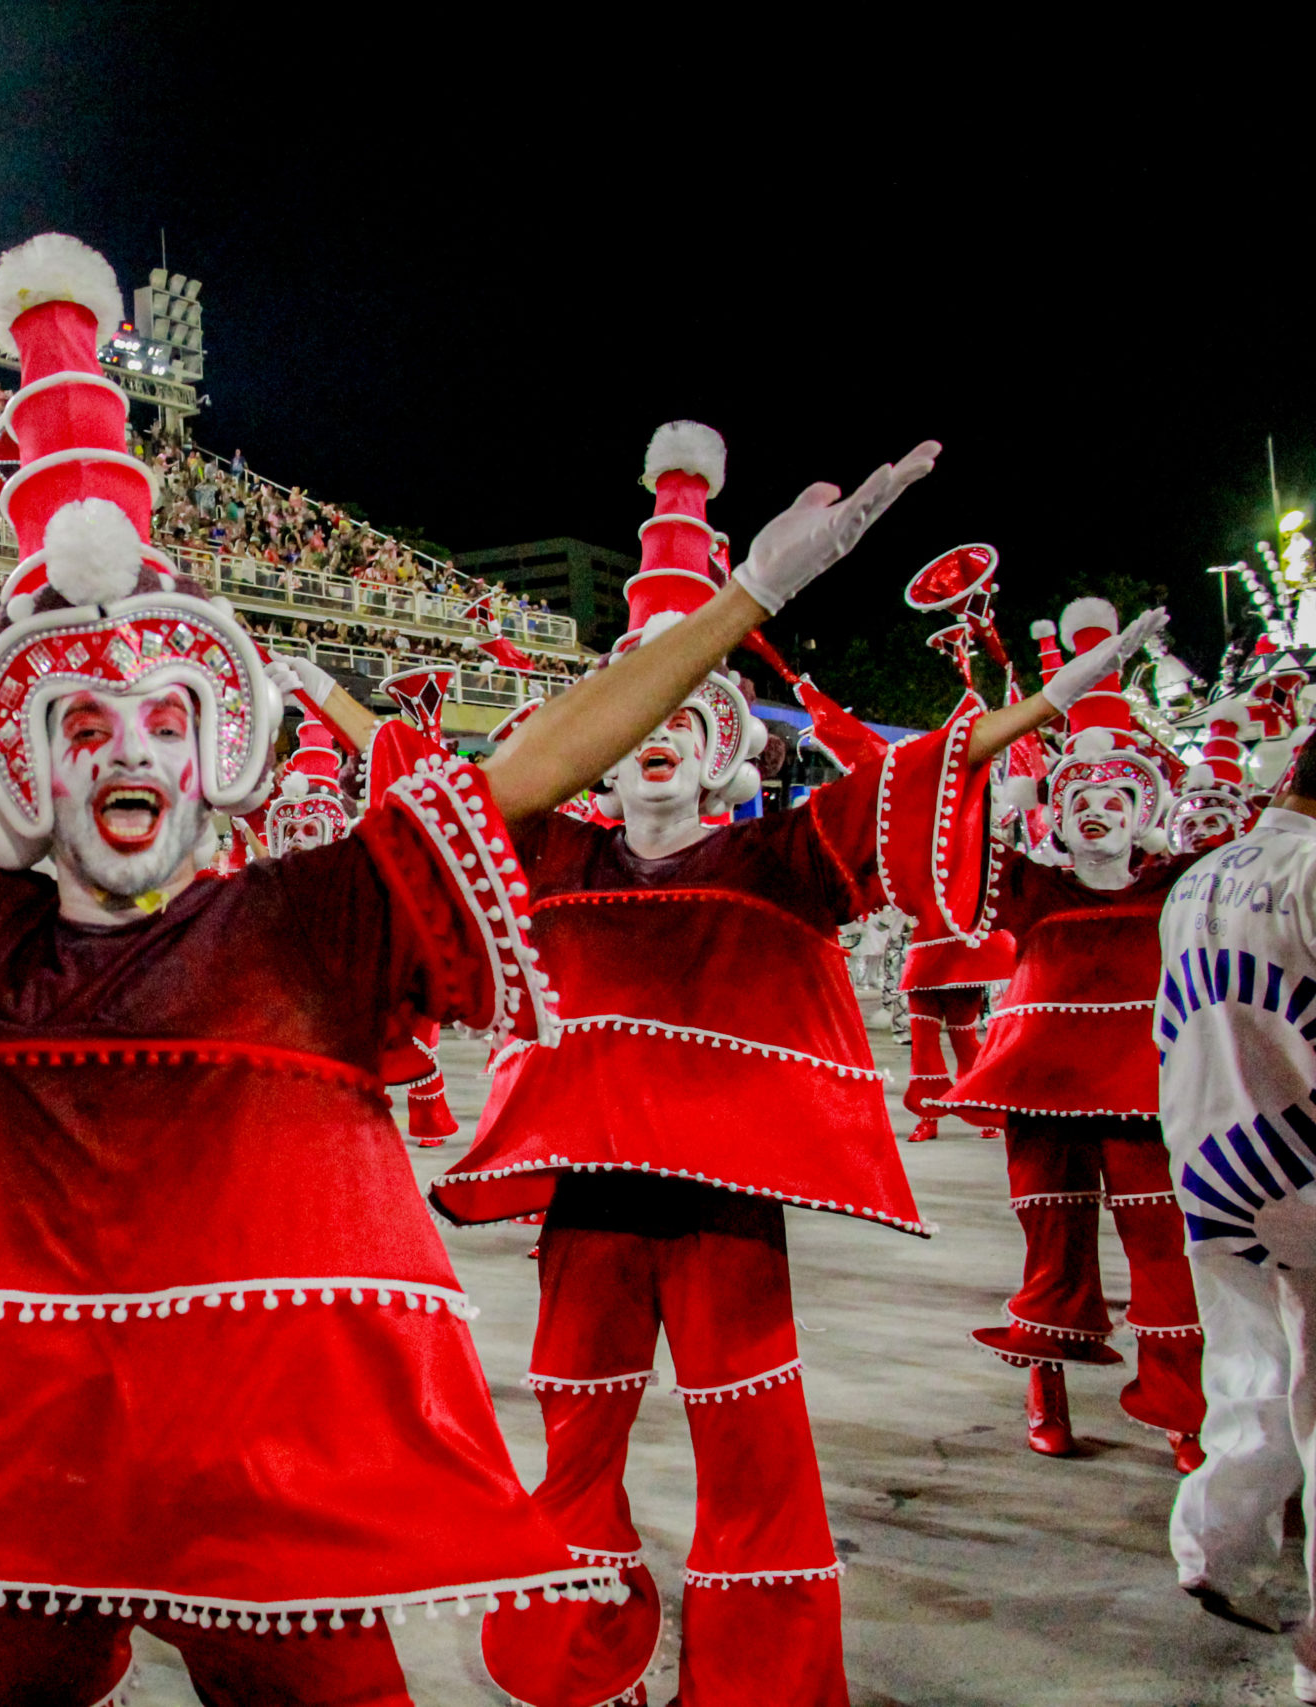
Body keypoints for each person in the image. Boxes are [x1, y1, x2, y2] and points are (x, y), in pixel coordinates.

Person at [0, 232, 938, 1707]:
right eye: (84, 720)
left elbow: (539, 759)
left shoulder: (323, 911)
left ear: (224, 746)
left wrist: (747, 597)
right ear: (23, 765)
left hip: (272, 1487)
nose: (129, 745)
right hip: (32, 1477)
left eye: (165, 716)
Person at [424, 422, 1133, 1705]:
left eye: (688, 715)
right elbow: (472, 800)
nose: (655, 738)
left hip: (727, 1218)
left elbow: (917, 777)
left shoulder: (782, 858)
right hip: (585, 1209)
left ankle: (760, 1680)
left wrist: (1044, 703)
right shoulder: (551, 857)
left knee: (752, 1452)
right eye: (634, 717)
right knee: (573, 1444)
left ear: (723, 749)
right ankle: (579, 1654)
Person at [938, 599, 1205, 1470]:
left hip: (1146, 1090)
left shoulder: (1175, 881)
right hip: (1041, 1088)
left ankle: (1181, 1407)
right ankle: (1045, 1386)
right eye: (1082, 795)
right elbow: (956, 833)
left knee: (1164, 1253)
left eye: (1117, 795)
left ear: (1144, 807)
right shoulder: (1030, 885)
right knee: (1054, 1246)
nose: (1098, 808)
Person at [1157, 726, 1316, 1701]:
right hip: (1300, 1161)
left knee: (1247, 1371)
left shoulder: (1199, 876)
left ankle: (1212, 1545)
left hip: (1209, 1156)